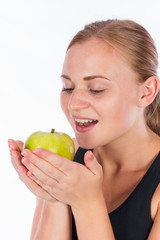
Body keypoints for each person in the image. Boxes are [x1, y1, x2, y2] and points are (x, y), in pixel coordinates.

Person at [8, 19, 160, 240]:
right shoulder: (65, 158)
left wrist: (86, 202)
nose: (73, 104)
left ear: (146, 92)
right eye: (68, 87)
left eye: (96, 89)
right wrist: (54, 195)